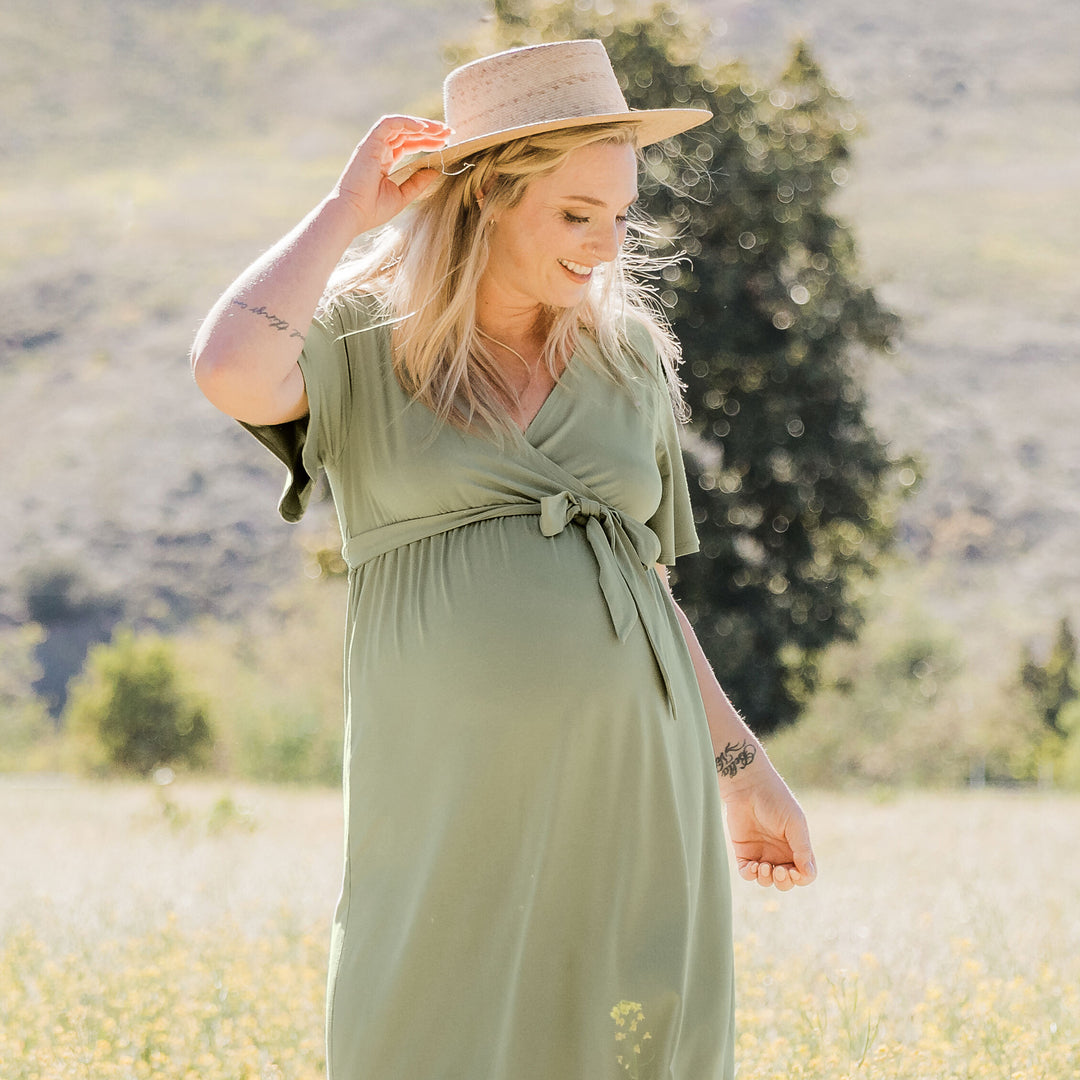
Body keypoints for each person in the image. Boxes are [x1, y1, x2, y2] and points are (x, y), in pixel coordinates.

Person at [191, 38, 816, 1080]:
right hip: (444, 798)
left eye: (619, 217)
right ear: (483, 198)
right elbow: (227, 368)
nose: (605, 248)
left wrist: (743, 769)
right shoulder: (358, 342)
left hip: (636, 785)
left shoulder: (628, 365)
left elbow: (646, 589)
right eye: (576, 216)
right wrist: (349, 211)